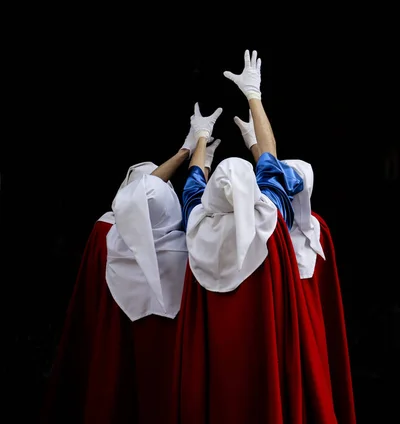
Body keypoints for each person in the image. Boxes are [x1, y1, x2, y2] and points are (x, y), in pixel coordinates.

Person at [171, 50, 356, 424]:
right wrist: (253, 99)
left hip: (220, 354)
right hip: (262, 348)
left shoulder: (197, 225)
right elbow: (271, 164)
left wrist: (199, 140)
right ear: (251, 192)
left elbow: (193, 184)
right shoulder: (268, 221)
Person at [41, 113, 221, 424]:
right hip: (170, 369)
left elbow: (136, 202)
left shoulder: (106, 235)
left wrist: (186, 149)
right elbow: (147, 198)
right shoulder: (191, 248)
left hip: (116, 357)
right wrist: (198, 162)